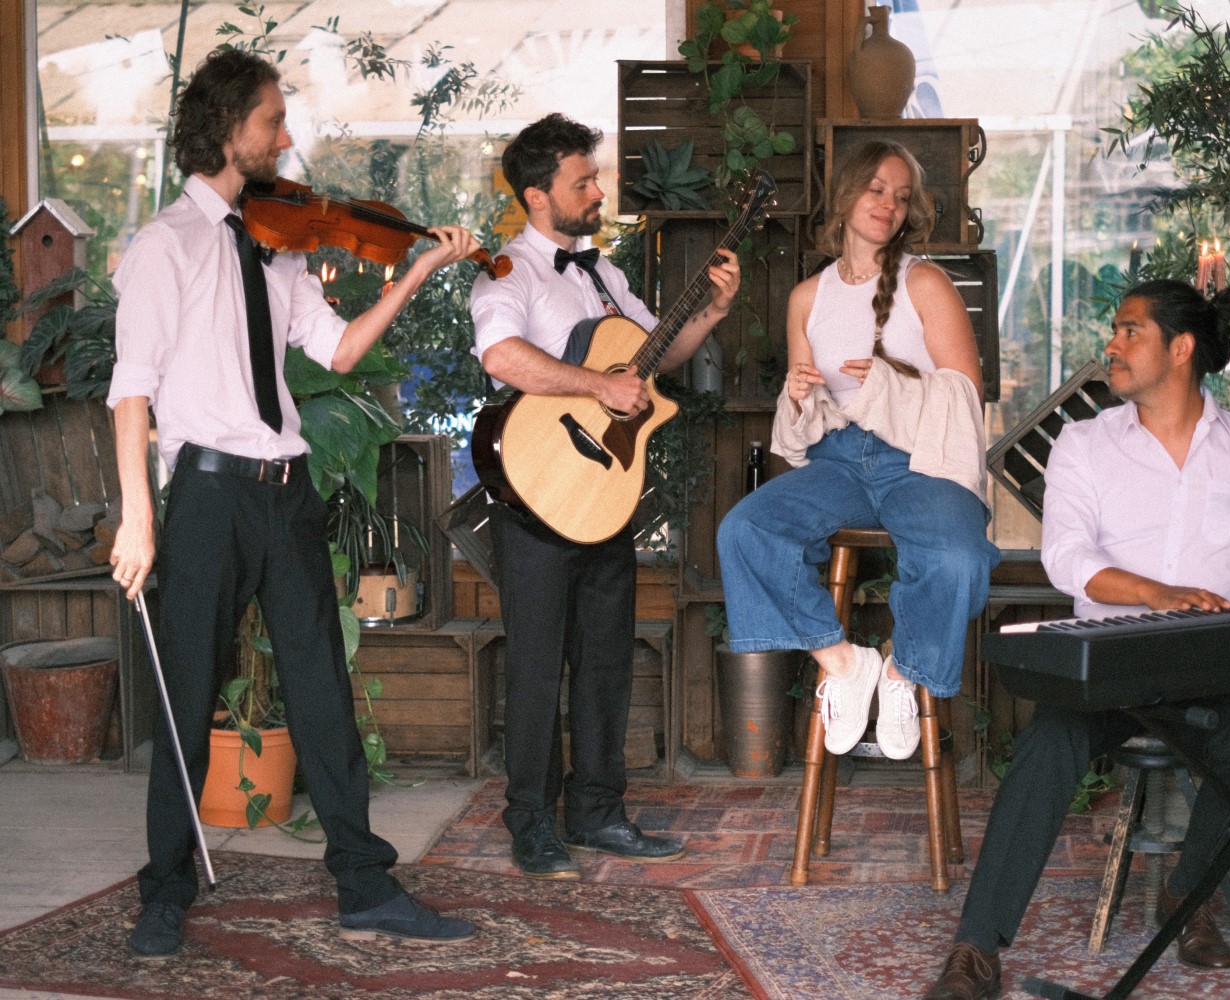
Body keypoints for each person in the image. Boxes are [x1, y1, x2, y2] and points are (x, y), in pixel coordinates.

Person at [108, 48, 481, 958]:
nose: (287, 137)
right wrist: (138, 514)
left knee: (321, 690)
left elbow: (342, 354)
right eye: (274, 120)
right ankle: (164, 891)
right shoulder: (166, 246)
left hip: (286, 493)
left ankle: (364, 882)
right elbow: (130, 389)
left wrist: (417, 273)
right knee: (185, 696)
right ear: (230, 126)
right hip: (204, 498)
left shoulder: (276, 247)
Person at [921, 279, 1230, 1000]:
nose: (1110, 346)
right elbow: (1068, 559)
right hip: (1111, 659)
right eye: (1113, 331)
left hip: (1220, 660)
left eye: (1128, 332)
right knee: (1048, 747)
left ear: (1180, 349)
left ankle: (1188, 893)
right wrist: (1156, 593)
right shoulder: (1083, 446)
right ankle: (976, 950)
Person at [468, 113, 740, 879]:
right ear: (538, 196)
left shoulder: (606, 275)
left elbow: (654, 362)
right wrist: (594, 383)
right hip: (537, 494)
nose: (597, 191)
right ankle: (531, 821)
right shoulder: (508, 273)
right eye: (582, 181)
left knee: (605, 663)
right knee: (536, 664)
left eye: (596, 177)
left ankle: (596, 812)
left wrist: (711, 311)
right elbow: (503, 355)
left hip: (607, 497)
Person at [716, 140, 1000, 763]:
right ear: (845, 195)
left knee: (957, 557)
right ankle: (844, 662)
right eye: (876, 188)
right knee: (745, 530)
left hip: (919, 463)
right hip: (838, 460)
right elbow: (805, 418)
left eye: (901, 196)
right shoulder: (806, 298)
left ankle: (903, 673)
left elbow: (963, 397)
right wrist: (798, 395)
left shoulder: (925, 282)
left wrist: (887, 387)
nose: (888, 205)